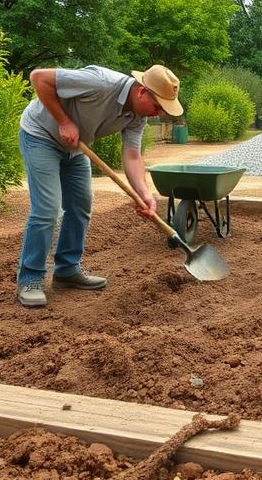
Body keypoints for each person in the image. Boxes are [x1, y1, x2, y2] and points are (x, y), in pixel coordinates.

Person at [15, 64, 183, 308]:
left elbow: (132, 156)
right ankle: (30, 279)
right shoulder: (99, 82)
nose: (158, 114)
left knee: (80, 206)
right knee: (47, 209)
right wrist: (64, 121)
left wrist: (144, 193)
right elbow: (39, 78)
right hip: (41, 135)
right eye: (157, 106)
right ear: (141, 92)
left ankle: (67, 270)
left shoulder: (137, 117)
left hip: (75, 147)